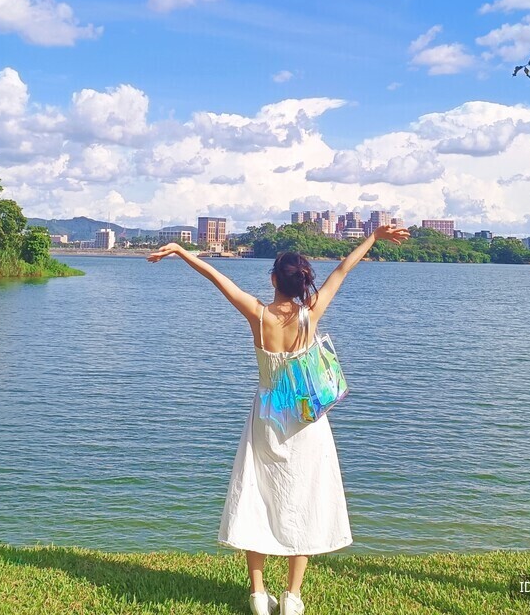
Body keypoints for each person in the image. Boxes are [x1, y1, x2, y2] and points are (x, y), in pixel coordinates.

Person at [147, 223, 411, 615]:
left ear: (273, 279)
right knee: (303, 500)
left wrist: (181, 252)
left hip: (266, 421)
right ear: (302, 280)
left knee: (257, 496)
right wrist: (374, 237)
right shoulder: (312, 312)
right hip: (307, 422)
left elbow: (217, 278)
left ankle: (257, 593)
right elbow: (342, 270)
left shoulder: (258, 315)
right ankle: (292, 596)